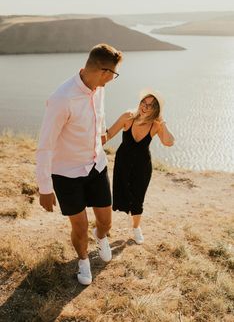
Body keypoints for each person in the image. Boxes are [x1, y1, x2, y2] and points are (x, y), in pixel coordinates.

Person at [36, 43, 123, 285]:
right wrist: (45, 187)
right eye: (114, 74)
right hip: (66, 174)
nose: (113, 79)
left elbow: (98, 124)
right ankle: (83, 260)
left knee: (105, 221)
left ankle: (101, 237)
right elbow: (45, 145)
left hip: (96, 166)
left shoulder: (99, 88)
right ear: (104, 71)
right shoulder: (61, 99)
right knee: (80, 226)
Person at [106, 89, 175, 244]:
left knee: (138, 199)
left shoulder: (155, 125)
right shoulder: (127, 117)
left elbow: (169, 142)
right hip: (122, 164)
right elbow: (109, 134)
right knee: (120, 195)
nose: (145, 106)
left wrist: (162, 122)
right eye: (143, 102)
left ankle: (136, 228)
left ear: (156, 109)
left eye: (150, 105)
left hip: (142, 167)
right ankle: (106, 227)